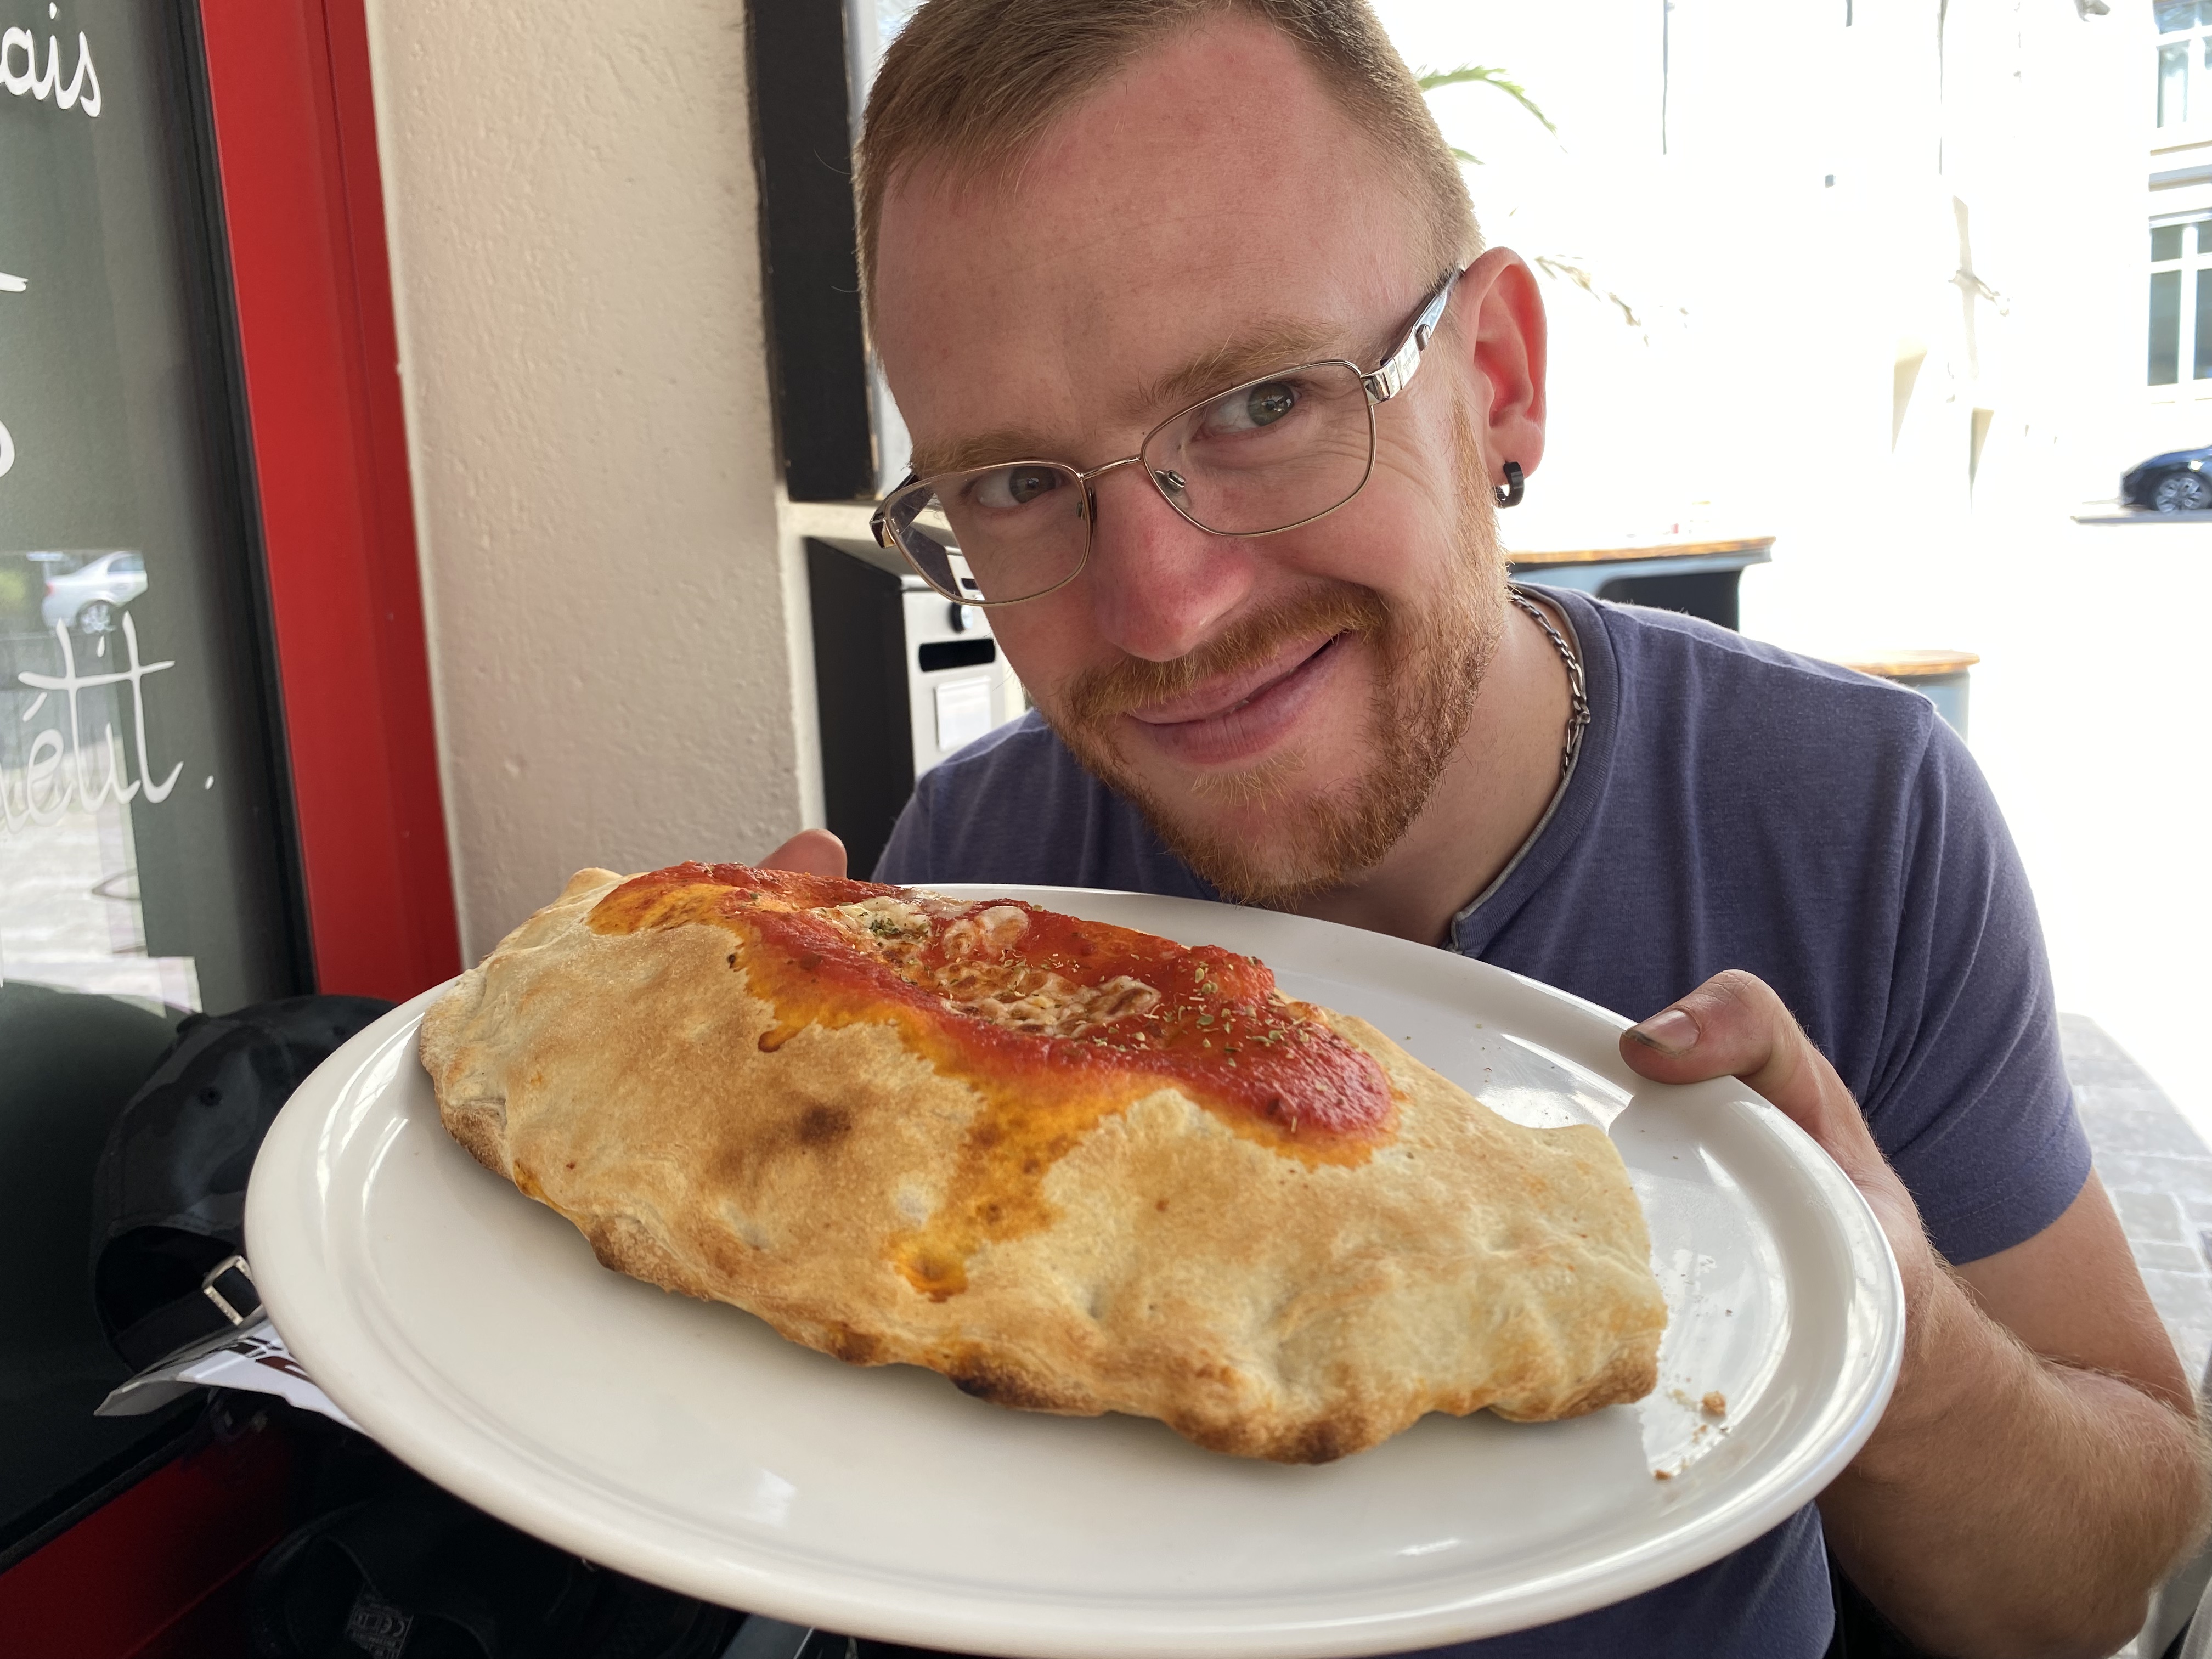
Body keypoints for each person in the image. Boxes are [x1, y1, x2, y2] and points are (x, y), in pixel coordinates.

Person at [756, 2, 2210, 1652]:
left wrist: (1878, 1322)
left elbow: (2099, 1582)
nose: (1161, 611)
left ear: (1500, 381)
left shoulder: (1856, 816)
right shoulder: (975, 866)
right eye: (1017, 485)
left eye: (1260, 402)